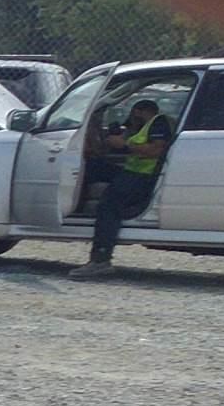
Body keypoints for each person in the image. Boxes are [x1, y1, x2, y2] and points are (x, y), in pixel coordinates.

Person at [67, 98, 173, 280]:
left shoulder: (159, 123)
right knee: (92, 167)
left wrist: (124, 144)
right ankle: (73, 206)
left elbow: (157, 150)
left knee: (108, 205)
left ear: (140, 111)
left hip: (144, 177)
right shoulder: (144, 126)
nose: (130, 121)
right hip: (133, 171)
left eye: (133, 116)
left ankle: (100, 260)